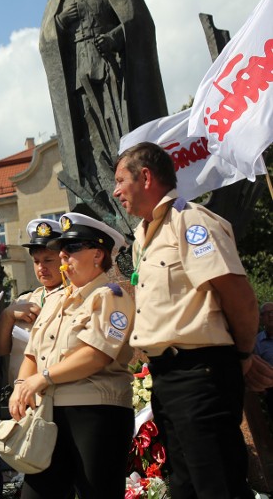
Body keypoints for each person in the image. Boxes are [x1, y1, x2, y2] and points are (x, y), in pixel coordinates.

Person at [114, 141, 264, 498]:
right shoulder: (142, 238)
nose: (116, 191)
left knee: (218, 485)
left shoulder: (191, 222)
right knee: (185, 487)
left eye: (121, 180)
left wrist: (242, 357)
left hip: (202, 375)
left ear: (146, 177)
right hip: (167, 378)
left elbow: (239, 299)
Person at [39, 0, 167, 235]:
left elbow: (139, 23)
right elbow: (46, 40)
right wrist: (59, 24)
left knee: (119, 127)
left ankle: (128, 180)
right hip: (79, 76)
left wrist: (116, 37)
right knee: (91, 137)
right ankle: (101, 184)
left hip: (112, 70)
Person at [10, 213, 134, 498]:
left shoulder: (109, 295)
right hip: (49, 413)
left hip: (95, 412)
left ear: (98, 254)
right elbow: (32, 353)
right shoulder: (53, 299)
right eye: (62, 247)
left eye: (73, 247)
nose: (63, 253)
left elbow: (96, 355)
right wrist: (21, 386)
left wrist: (40, 380)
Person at [0, 219, 64, 384]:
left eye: (48, 260)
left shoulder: (74, 296)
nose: (40, 268)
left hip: (58, 394)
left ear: (64, 259)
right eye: (36, 262)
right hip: (22, 397)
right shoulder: (25, 299)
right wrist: (7, 315)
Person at [255, 303, 273, 411]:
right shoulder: (256, 342)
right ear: (261, 318)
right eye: (267, 313)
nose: (271, 316)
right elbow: (256, 368)